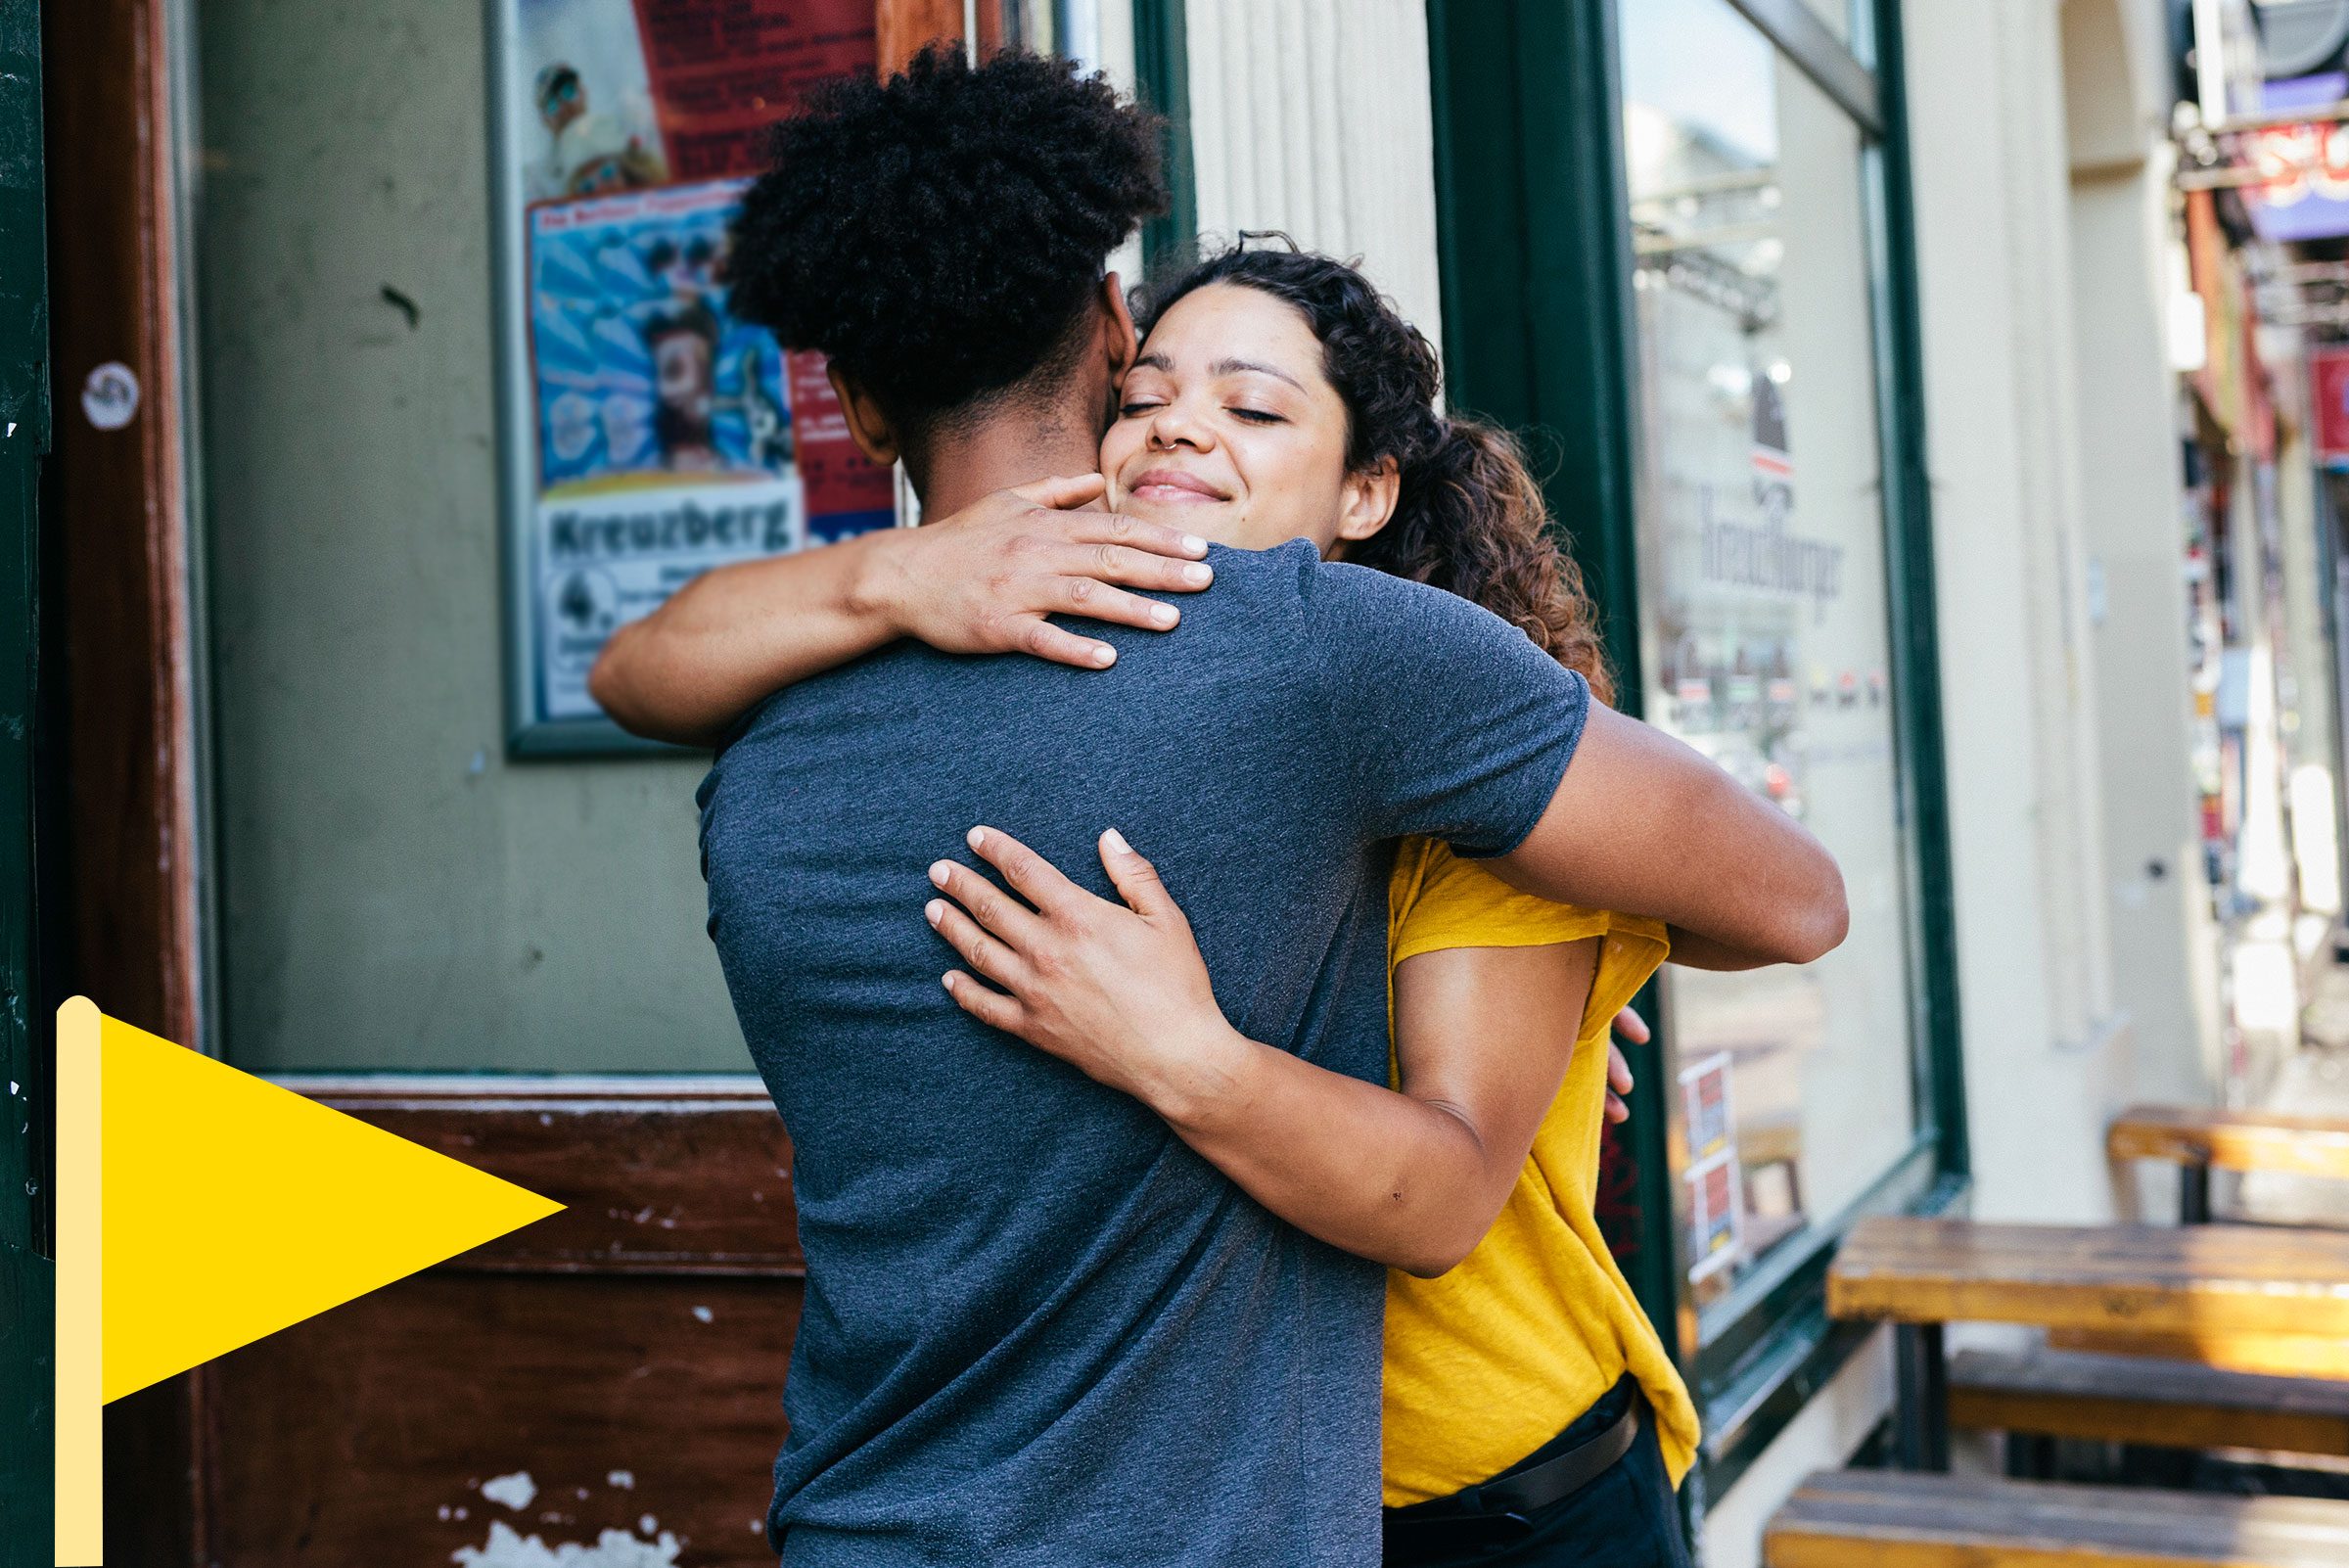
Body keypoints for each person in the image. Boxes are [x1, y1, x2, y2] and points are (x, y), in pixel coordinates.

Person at [604, 47, 1844, 1567]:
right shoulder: (1313, 656)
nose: (1195, 433)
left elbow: (637, 665)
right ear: (1114, 326)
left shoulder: (756, 760)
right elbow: (1793, 898)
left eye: (1255, 409)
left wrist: (1546, 975)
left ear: (854, 406)